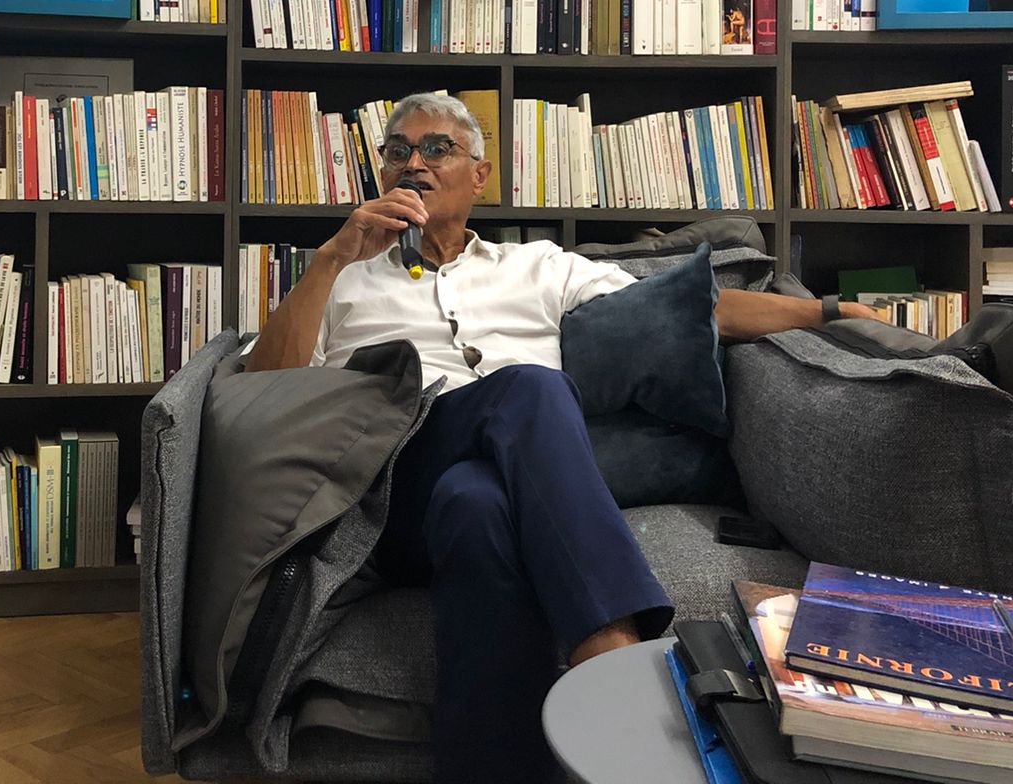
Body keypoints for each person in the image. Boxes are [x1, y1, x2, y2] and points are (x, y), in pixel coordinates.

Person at [245, 92, 879, 784]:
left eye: (437, 148)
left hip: (478, 496)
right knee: (531, 388)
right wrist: (332, 257)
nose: (414, 163)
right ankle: (612, 652)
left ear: (479, 175)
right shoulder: (343, 278)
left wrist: (828, 311)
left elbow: (700, 310)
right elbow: (262, 388)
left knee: (476, 502)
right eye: (398, 150)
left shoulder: (540, 266)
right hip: (394, 486)